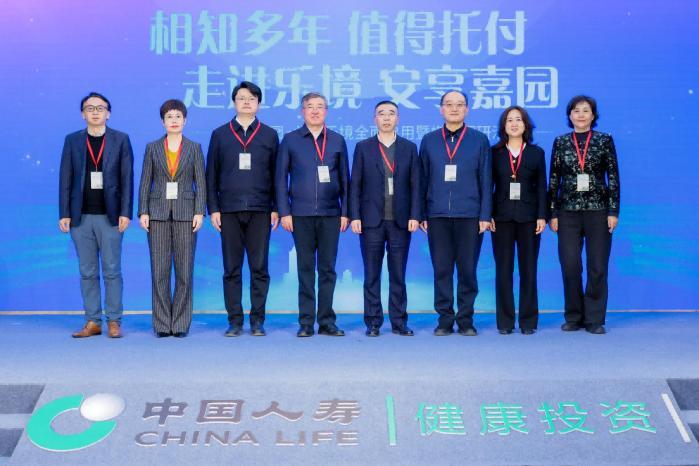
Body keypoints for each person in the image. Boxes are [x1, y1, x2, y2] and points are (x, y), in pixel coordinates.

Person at [206, 81, 279, 337]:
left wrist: (276, 208)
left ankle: (257, 321)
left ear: (258, 103)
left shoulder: (269, 135)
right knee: (231, 269)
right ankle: (234, 321)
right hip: (228, 210)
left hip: (261, 209)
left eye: (251, 98)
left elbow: (277, 176)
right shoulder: (220, 134)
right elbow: (211, 174)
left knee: (259, 268)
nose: (246, 102)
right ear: (234, 102)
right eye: (241, 98)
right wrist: (213, 208)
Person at [59, 92, 133, 338]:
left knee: (112, 270)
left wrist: (125, 212)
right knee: (87, 272)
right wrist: (64, 213)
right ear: (83, 114)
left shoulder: (121, 140)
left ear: (108, 113)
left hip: (110, 217)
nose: (95, 112)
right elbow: (65, 178)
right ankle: (92, 321)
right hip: (80, 217)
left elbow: (127, 179)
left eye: (100, 108)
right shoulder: (72, 140)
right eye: (89, 108)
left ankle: (114, 321)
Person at [276, 92, 349, 337]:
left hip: (331, 214)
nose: (315, 111)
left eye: (320, 107)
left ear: (326, 111)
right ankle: (306, 322)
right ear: (302, 111)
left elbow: (345, 180)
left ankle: (327, 321)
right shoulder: (290, 140)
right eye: (310, 107)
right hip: (300, 214)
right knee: (305, 269)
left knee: (328, 270)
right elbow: (280, 179)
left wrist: (345, 212)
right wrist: (285, 212)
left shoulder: (337, 140)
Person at [419, 90, 492, 336]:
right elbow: (422, 179)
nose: (454, 109)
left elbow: (486, 179)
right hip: (437, 215)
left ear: (467, 110)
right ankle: (444, 320)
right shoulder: (429, 140)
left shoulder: (479, 140)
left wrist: (485, 215)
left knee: (467, 270)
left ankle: (466, 320)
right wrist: (422, 214)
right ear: (441, 109)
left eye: (459, 104)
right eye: (449, 104)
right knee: (442, 270)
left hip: (470, 215)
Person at [548, 95, 620, 334]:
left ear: (593, 115)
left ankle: (594, 319)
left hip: (598, 211)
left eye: (585, 110)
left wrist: (613, 210)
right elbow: (554, 179)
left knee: (597, 266)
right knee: (570, 265)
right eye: (576, 110)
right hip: (567, 213)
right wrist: (553, 213)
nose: (580, 114)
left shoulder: (604, 140)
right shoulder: (560, 142)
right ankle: (574, 316)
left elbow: (613, 177)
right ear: (569, 115)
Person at [349, 101, 422, 337]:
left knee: (398, 275)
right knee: (372, 275)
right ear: (375, 119)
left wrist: (415, 215)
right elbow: (355, 184)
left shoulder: (409, 148)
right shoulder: (363, 147)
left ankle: (399, 322)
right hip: (370, 221)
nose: (387, 118)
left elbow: (416, 185)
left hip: (401, 221)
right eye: (382, 114)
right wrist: (354, 216)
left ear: (398, 119)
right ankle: (373, 322)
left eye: (391, 114)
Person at [138, 99, 205, 338]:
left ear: (185, 120)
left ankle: (180, 323)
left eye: (178, 116)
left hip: (186, 214)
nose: (174, 121)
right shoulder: (152, 148)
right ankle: (162, 324)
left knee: (185, 272)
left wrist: (199, 212)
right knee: (160, 272)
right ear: (162, 122)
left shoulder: (194, 148)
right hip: (157, 214)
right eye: (169, 117)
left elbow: (201, 182)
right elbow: (145, 181)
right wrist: (143, 211)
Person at [489, 106, 547, 335]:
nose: (514, 124)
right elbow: (488, 185)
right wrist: (488, 215)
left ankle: (528, 321)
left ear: (526, 125)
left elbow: (541, 187)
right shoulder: (494, 153)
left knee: (528, 270)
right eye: (509, 120)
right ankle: (505, 322)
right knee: (503, 270)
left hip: (529, 218)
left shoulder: (536, 153)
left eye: (518, 120)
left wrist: (542, 216)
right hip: (501, 218)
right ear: (503, 126)